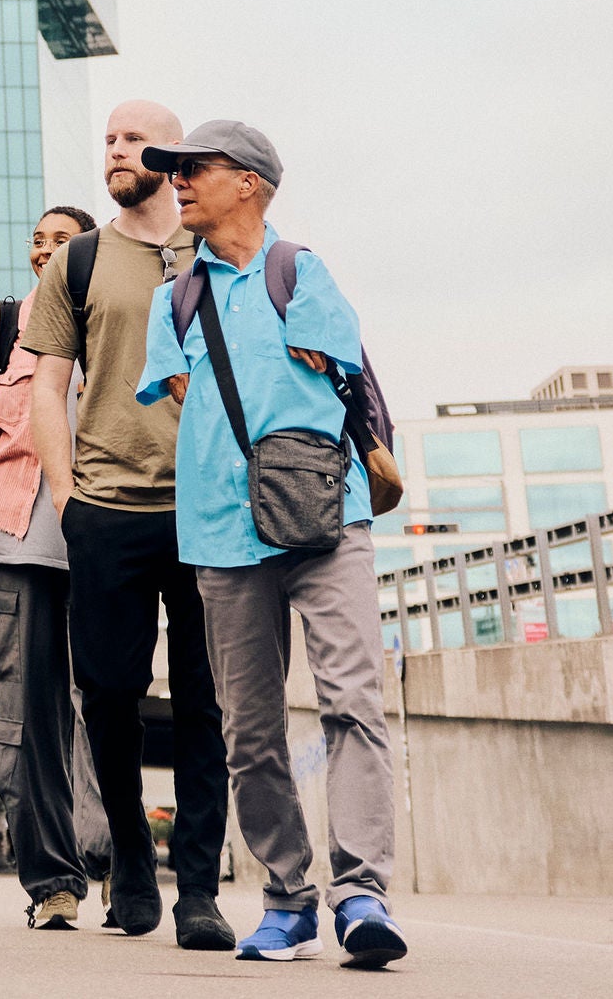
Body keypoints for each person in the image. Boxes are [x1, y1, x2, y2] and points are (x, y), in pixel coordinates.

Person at [134, 121, 407, 969]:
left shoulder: (300, 271)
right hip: (219, 528)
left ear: (247, 182)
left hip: (326, 521)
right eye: (174, 173)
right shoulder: (175, 294)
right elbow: (178, 389)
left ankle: (361, 892)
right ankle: (287, 900)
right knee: (246, 729)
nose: (178, 183)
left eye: (195, 170)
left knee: (352, 702)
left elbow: (340, 376)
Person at [21, 101, 234, 951]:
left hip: (210, 509)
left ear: (171, 154)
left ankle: (202, 890)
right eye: (105, 137)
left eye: (132, 137)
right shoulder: (75, 263)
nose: (114, 149)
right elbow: (46, 386)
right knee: (106, 695)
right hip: (105, 510)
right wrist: (66, 496)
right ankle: (133, 862)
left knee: (204, 706)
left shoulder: (217, 251)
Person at [0, 205, 113, 930]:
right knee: (26, 714)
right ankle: (54, 883)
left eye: (63, 240)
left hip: (107, 541)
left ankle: (117, 858)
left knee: (107, 705)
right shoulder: (4, 324)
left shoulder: (118, 325)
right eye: (38, 240)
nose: (45, 250)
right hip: (14, 537)